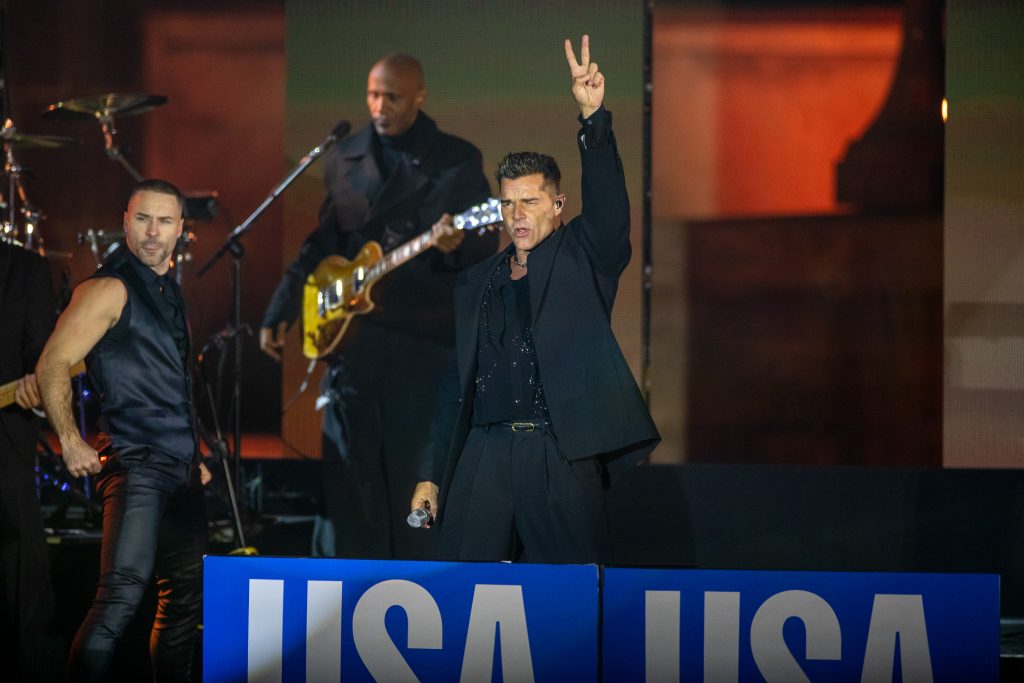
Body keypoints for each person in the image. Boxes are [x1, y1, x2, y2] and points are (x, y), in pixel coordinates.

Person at [411, 36, 660, 564]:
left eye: (530, 201)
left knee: (573, 596)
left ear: (558, 204)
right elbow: (456, 383)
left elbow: (612, 210)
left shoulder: (583, 259)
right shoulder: (477, 281)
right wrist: (432, 473)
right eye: (508, 203)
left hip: (558, 451)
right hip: (485, 452)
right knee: (464, 594)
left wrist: (593, 119)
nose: (517, 213)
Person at [260, 53, 497, 559]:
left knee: (413, 479)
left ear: (419, 97)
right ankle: (350, 596)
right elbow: (322, 244)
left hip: (421, 345)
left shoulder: (455, 160)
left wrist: (460, 245)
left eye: (391, 96)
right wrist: (282, 308)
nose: (379, 105)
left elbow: (484, 243)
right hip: (354, 347)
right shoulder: (344, 156)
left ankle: (420, 597)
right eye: (372, 94)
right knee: (353, 482)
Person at [36, 179, 207, 682]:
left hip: (179, 468)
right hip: (137, 463)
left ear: (181, 229)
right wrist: (70, 438)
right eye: (142, 219)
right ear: (125, 221)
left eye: (164, 221)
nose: (153, 232)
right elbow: (53, 363)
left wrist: (197, 457)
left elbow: (168, 380)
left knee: (183, 603)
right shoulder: (109, 287)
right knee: (120, 597)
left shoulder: (169, 290)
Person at [0, 241, 61, 681]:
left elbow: (45, 363)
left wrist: (34, 386)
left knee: (18, 575)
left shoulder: (25, 271)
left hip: (4, 446)